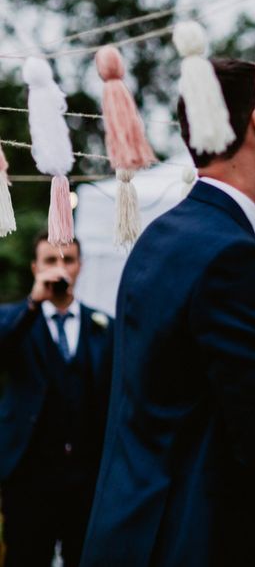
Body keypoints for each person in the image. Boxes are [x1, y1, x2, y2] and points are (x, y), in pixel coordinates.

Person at [79, 59, 255, 567]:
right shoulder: (232, 255)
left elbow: (175, 380)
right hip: (191, 536)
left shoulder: (160, 235)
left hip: (129, 529)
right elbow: (252, 425)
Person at [0, 232, 114, 567]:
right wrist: (34, 304)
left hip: (87, 479)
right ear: (35, 267)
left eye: (68, 260)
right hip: (29, 478)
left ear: (81, 266)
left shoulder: (105, 326)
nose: (59, 269)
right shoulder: (15, 319)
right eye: (50, 260)